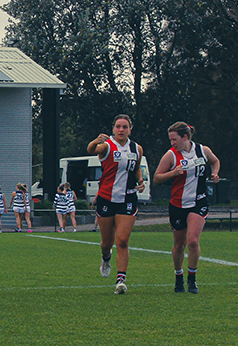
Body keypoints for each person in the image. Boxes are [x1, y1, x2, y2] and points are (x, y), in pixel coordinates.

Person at [152, 121, 220, 294]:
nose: (172, 143)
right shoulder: (171, 155)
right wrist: (172, 173)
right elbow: (157, 178)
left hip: (198, 202)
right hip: (178, 204)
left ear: (185, 137)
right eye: (170, 140)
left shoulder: (202, 150)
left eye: (174, 139)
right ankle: (178, 276)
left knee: (193, 241)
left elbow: (215, 161)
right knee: (179, 245)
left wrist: (215, 173)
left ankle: (192, 278)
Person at [87, 114, 145, 294]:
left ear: (130, 130)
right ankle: (106, 257)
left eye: (125, 127)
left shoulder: (136, 148)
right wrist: (95, 140)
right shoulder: (107, 146)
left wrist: (141, 180)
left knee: (123, 240)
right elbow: (91, 149)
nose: (121, 130)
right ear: (113, 129)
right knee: (107, 242)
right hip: (106, 198)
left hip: (128, 198)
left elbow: (136, 169)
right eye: (118, 126)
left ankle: (121, 280)